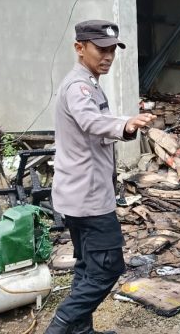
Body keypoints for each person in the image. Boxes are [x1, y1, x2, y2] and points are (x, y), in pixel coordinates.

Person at [46, 20, 155, 334]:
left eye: (111, 50)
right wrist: (126, 123)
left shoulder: (89, 82)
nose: (107, 56)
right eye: (100, 49)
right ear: (80, 48)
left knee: (86, 266)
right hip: (88, 198)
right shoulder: (79, 86)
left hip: (80, 193)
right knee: (106, 269)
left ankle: (81, 331)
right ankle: (59, 328)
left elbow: (97, 127)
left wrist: (126, 126)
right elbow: (92, 121)